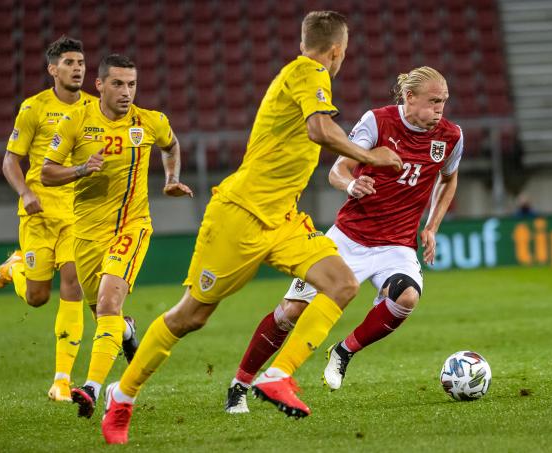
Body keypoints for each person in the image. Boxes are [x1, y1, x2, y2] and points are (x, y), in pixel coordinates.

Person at [101, 11, 402, 445]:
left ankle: (278, 376)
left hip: (282, 218)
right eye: (345, 51)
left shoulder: (304, 73)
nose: (343, 59)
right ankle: (123, 395)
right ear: (337, 50)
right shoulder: (308, 71)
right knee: (192, 316)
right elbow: (320, 129)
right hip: (239, 214)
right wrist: (371, 156)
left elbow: (316, 129)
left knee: (340, 284)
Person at [224, 66, 463, 413]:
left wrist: (432, 225)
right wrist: (351, 185)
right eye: (434, 101)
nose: (440, 109)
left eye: (444, 101)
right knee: (290, 313)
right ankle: (240, 384)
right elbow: (338, 169)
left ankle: (344, 350)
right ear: (410, 98)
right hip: (348, 239)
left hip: (396, 245)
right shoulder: (377, 122)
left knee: (407, 297)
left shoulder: (450, 136)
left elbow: (449, 178)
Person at [40, 54, 193, 418]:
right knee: (105, 316)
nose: (127, 92)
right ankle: (126, 332)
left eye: (132, 84)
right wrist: (80, 169)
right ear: (99, 85)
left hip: (131, 226)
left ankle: (92, 388)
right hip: (87, 234)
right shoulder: (76, 121)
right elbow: (46, 172)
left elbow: (170, 145)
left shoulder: (150, 121)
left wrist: (171, 180)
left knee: (108, 303)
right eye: (118, 84)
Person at [0, 36, 98, 402]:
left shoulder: (95, 108)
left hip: (77, 214)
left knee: (74, 283)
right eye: (69, 62)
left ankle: (62, 381)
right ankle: (13, 268)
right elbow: (10, 161)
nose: (78, 68)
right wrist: (26, 192)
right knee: (37, 297)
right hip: (38, 214)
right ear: (53, 69)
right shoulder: (33, 108)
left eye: (81, 62)